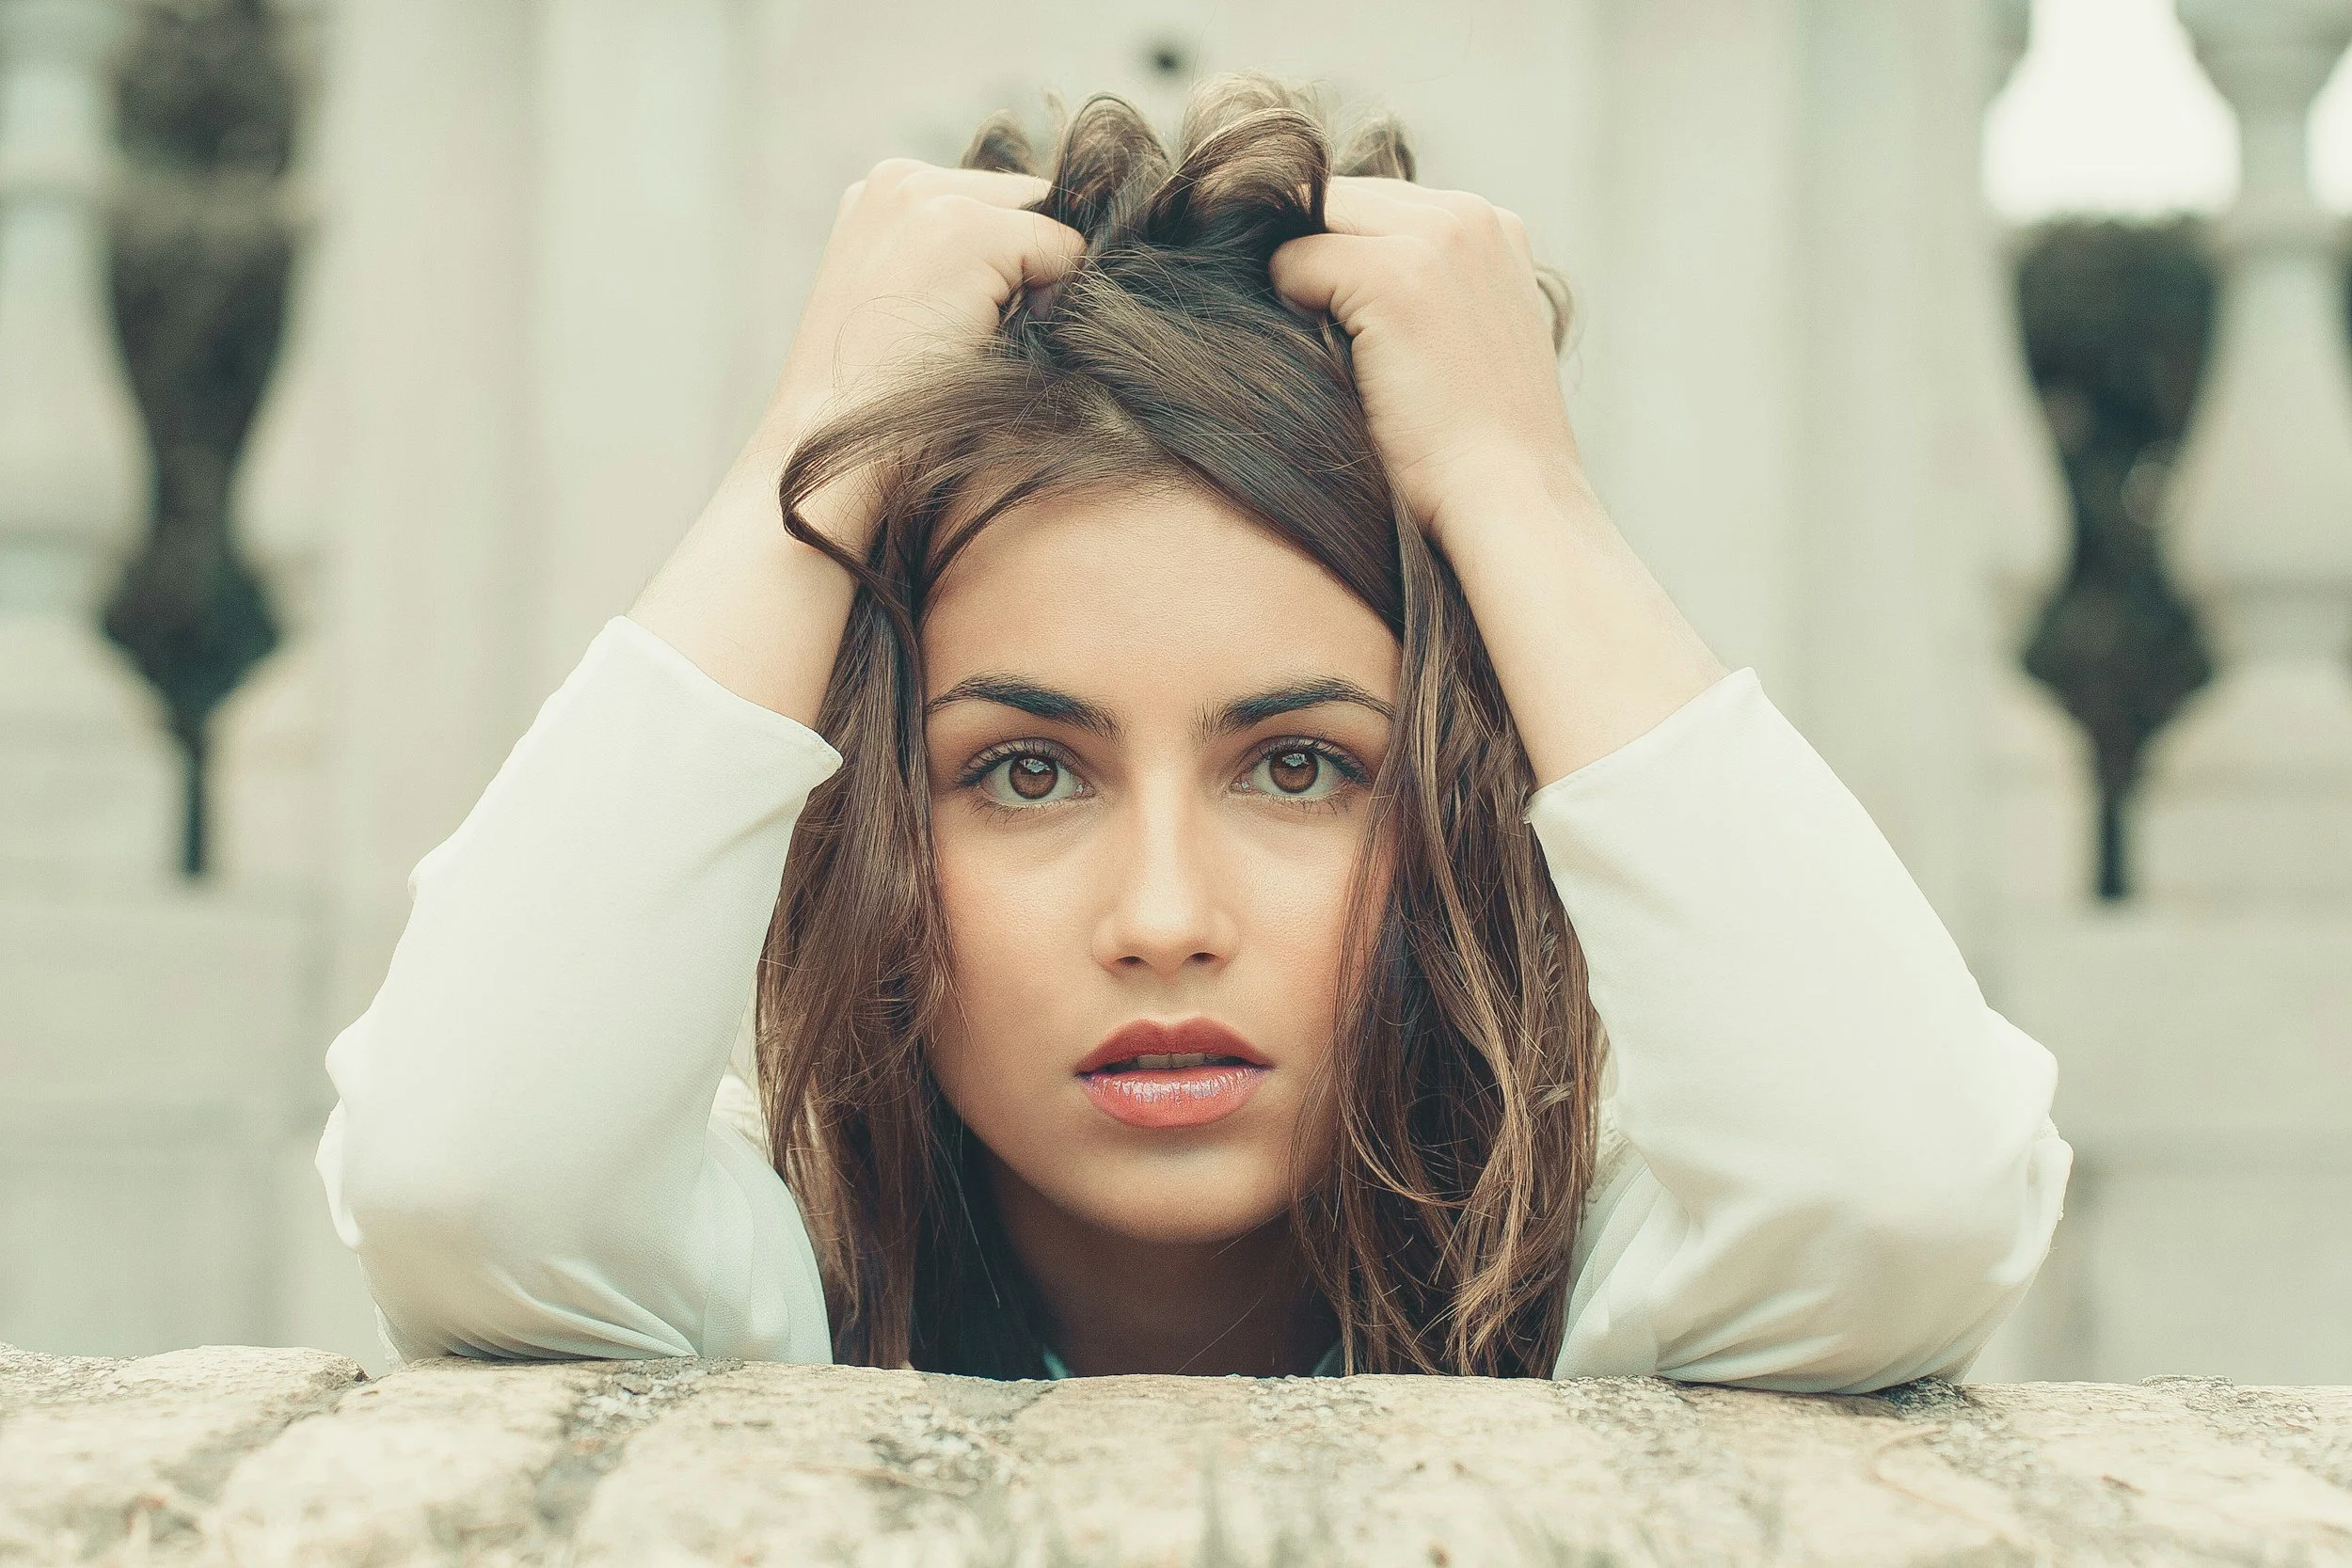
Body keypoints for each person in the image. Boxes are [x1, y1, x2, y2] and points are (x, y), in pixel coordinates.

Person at [316, 76, 2071, 1390]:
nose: (1164, 913)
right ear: (872, 826)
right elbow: (457, 1174)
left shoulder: (1616, 1302)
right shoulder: (758, 1305)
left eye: (1300, 766)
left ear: (1460, 800)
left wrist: (1518, 499)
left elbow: (1905, 1196)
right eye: (1024, 771)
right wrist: (820, 445)